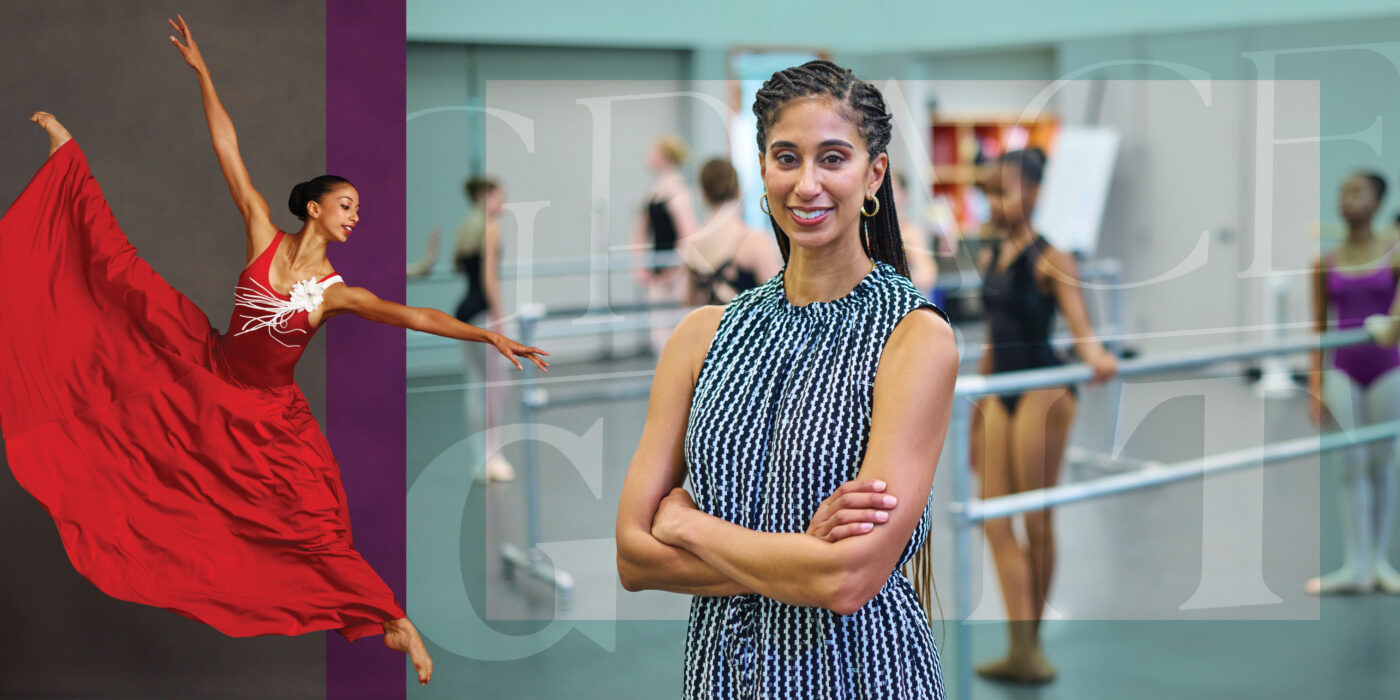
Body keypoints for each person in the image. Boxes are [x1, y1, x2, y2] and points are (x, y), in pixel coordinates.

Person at [0, 17, 547, 687]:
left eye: (355, 209)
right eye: (344, 205)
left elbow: (414, 314)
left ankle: (390, 617)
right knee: (121, 277)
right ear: (313, 207)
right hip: (207, 372)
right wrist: (203, 74)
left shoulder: (338, 292)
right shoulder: (262, 231)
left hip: (266, 418)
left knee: (314, 527)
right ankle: (66, 158)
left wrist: (486, 332)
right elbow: (226, 146)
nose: (353, 216)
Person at [616, 60, 958, 699]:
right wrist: (802, 556)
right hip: (720, 676)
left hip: (863, 675)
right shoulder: (701, 337)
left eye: (833, 158)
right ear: (763, 170)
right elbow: (632, 556)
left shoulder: (914, 337)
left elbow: (847, 580)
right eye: (786, 158)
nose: (808, 184)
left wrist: (692, 528)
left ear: (873, 173)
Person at [970, 148, 1116, 684]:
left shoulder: (1054, 257)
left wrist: (1097, 357)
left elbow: (1082, 329)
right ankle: (1019, 646)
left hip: (1043, 389)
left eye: (1004, 190)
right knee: (992, 520)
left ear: (1034, 193)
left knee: (1036, 521)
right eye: (990, 191)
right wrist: (976, 410)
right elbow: (992, 338)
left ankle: (1030, 644)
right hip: (1002, 391)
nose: (994, 201)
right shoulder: (992, 255)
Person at [1309, 171, 1400, 596]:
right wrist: (1315, 384)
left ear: (1378, 202)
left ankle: (1380, 561)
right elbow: (1318, 328)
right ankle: (1355, 565)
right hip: (1343, 369)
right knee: (1350, 465)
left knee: (1383, 464)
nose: (1347, 198)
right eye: (1341, 191)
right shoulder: (1323, 263)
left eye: (1357, 191)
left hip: (1388, 368)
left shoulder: (1394, 255)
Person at [452, 176, 514, 482]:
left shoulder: (465, 229)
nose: (503, 202)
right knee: (497, 387)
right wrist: (500, 320)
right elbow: (490, 280)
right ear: (484, 196)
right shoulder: (490, 228)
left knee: (477, 385)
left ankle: (481, 459)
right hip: (484, 315)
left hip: (464, 312)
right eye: (500, 196)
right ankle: (493, 457)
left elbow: (458, 267)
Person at [680, 158, 782, 305]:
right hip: (749, 327)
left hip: (711, 327)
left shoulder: (693, 246)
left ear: (703, 193)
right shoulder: (755, 242)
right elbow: (778, 303)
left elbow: (692, 305)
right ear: (738, 190)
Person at [632, 134, 699, 352]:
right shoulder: (652, 193)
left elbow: (688, 236)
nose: (649, 156)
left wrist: (674, 270)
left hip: (674, 273)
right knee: (658, 330)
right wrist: (639, 266)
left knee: (676, 327)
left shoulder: (678, 193)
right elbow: (640, 233)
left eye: (654, 152)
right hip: (656, 270)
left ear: (665, 157)